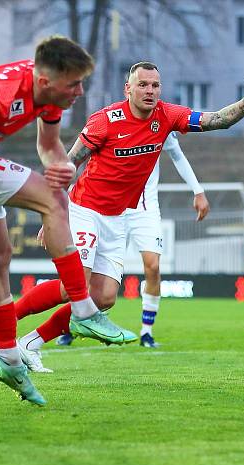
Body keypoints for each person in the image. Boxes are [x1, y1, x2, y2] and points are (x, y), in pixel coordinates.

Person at [2, 62, 244, 367]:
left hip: (118, 218)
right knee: (74, 286)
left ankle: (31, 342)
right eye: (143, 85)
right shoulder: (104, 120)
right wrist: (51, 210)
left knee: (104, 298)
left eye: (155, 85)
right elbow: (68, 165)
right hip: (85, 210)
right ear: (128, 89)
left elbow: (216, 121)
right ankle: (4, 320)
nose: (150, 91)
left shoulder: (167, 115)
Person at [0, 35, 133, 406]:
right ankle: (83, 311)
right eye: (74, 84)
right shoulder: (3, 93)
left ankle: (8, 359)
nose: (79, 91)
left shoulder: (49, 97)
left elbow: (49, 148)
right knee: (54, 203)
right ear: (47, 81)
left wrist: (61, 166)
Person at [58, 133, 210, 348]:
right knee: (89, 277)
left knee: (153, 266)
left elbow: (177, 155)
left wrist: (198, 191)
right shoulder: (113, 122)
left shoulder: (160, 122)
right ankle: (69, 325)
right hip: (110, 208)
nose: (149, 96)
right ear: (128, 95)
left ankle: (146, 333)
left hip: (144, 210)